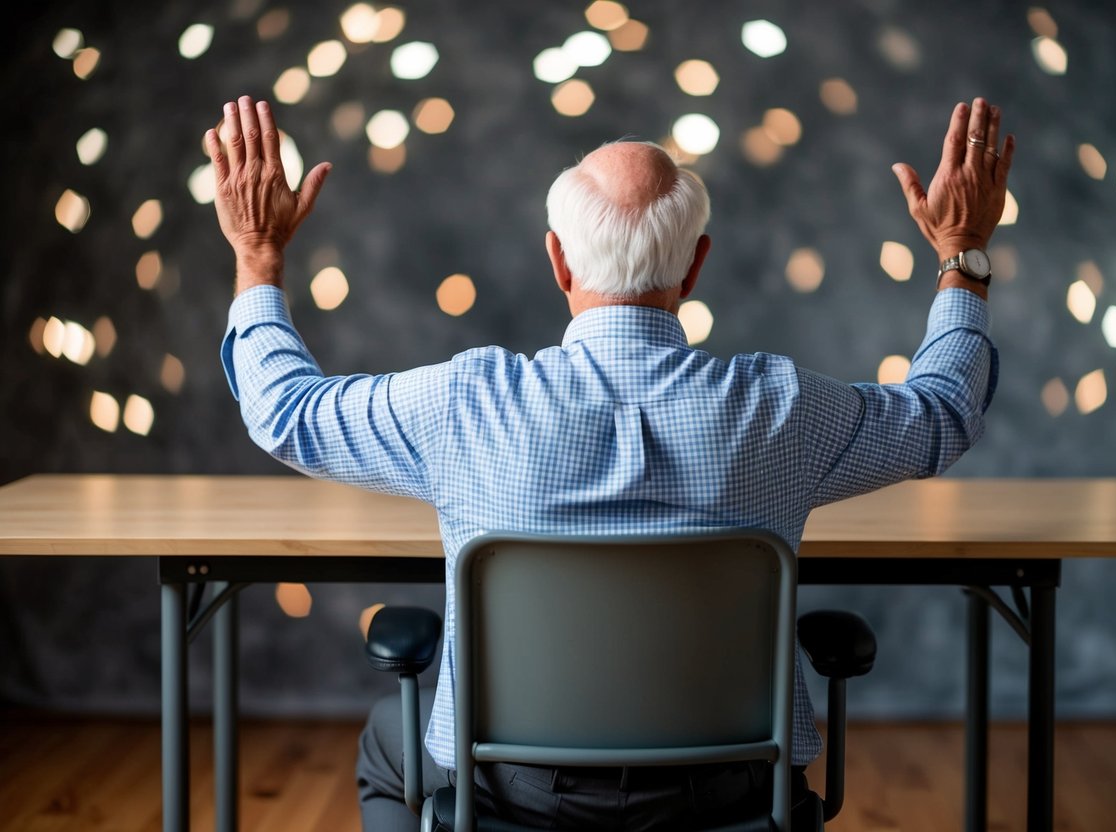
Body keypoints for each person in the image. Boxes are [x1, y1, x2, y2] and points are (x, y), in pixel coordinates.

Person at [208, 94, 1013, 830]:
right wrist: (962, 254)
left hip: (511, 787)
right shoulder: (781, 408)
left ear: (558, 263)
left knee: (392, 744)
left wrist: (257, 256)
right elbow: (941, 412)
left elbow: (283, 411)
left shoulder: (465, 404)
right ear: (695, 267)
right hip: (734, 786)